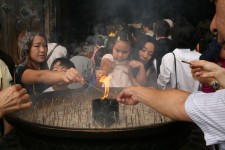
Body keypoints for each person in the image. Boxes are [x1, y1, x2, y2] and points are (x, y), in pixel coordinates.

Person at [117, 0, 225, 148]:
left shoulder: (170, 57)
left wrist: (137, 91)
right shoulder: (198, 56)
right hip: (195, 116)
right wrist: (218, 80)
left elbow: (166, 89)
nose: (213, 26)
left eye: (219, 16)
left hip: (183, 115)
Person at [16, 31, 84, 95]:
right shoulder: (20, 70)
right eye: (37, 46)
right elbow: (41, 76)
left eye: (45, 45)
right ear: (27, 49)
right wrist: (64, 74)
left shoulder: (43, 66)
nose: (42, 50)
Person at [157, 17, 201, 92]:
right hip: (197, 101)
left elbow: (161, 84)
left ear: (174, 37)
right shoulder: (201, 57)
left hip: (175, 101)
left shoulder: (169, 58)